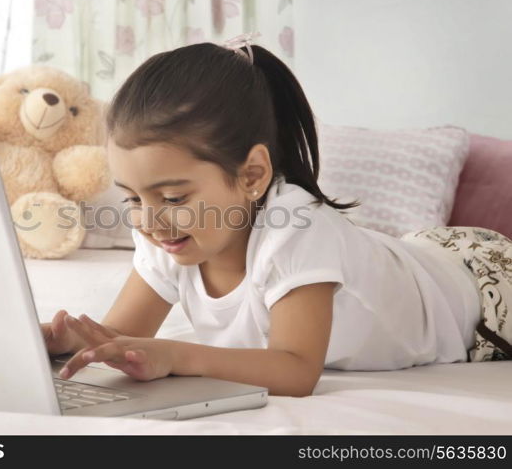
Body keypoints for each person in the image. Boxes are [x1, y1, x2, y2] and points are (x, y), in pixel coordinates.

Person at [40, 33, 512, 397]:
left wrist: (175, 356)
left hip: (483, 290)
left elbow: (296, 368)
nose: (149, 220)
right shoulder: (167, 233)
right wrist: (71, 343)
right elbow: (124, 336)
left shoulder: (297, 230)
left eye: (174, 198)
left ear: (252, 175)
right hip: (418, 252)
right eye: (132, 199)